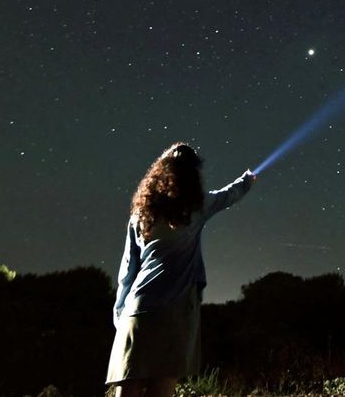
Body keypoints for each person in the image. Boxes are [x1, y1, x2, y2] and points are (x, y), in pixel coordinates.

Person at [107, 142, 256, 397]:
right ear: (193, 176)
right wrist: (247, 179)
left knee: (127, 390)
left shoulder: (140, 214)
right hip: (174, 313)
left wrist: (120, 311)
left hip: (136, 312)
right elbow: (229, 194)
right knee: (161, 390)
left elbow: (128, 270)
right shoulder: (197, 208)